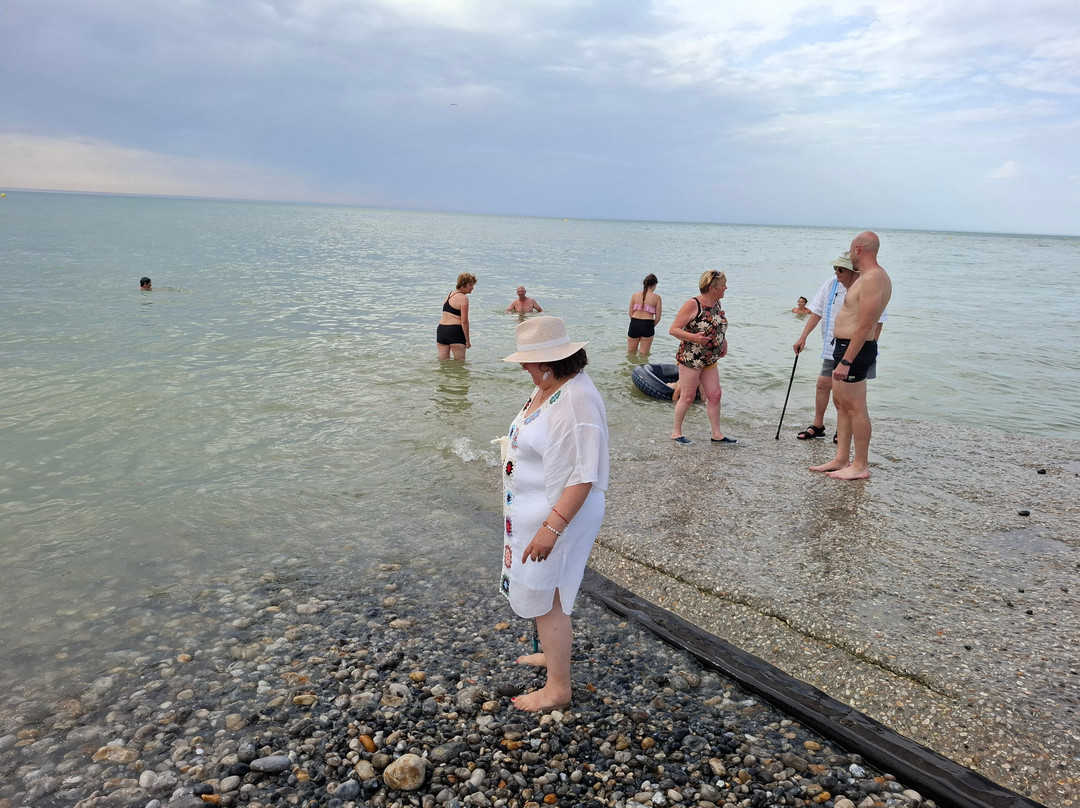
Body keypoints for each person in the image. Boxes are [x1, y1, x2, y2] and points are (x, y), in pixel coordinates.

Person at [500, 316, 609, 712]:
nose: (523, 368)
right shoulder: (550, 387)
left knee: (552, 600)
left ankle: (558, 688)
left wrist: (551, 528)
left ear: (549, 362)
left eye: (527, 362)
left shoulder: (576, 400)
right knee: (542, 589)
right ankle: (552, 654)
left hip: (560, 515)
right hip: (537, 509)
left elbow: (583, 476)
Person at [810, 232, 893, 480]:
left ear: (858, 249)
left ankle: (860, 465)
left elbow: (867, 324)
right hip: (843, 347)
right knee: (842, 405)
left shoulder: (874, 278)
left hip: (854, 351)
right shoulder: (866, 277)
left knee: (857, 408)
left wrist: (847, 360)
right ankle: (841, 458)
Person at [792, 252, 886, 441]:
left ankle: (842, 431)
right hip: (831, 347)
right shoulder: (830, 284)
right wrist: (803, 337)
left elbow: (877, 323)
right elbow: (816, 311)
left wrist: (869, 351)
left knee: (846, 394)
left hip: (854, 351)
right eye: (835, 268)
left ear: (853, 271)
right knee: (823, 384)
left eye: (841, 269)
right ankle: (818, 425)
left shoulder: (866, 287)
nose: (836, 272)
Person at [668, 270, 736, 444]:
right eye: (723, 285)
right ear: (712, 288)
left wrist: (724, 341)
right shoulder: (693, 304)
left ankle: (717, 434)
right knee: (688, 396)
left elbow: (718, 325)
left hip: (710, 359)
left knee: (715, 394)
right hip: (692, 358)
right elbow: (674, 329)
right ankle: (676, 433)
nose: (726, 288)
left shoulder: (717, 303)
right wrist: (694, 338)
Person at [436, 273, 476, 360]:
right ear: (463, 284)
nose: (473, 288)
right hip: (455, 331)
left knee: (443, 362)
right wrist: (467, 340)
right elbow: (464, 321)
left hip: (441, 330)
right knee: (460, 365)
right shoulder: (463, 298)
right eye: (470, 285)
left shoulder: (449, 295)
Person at [627, 273, 662, 354]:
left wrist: (635, 323)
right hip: (648, 324)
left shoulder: (635, 295)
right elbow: (658, 317)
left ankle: (631, 366)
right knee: (644, 354)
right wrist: (650, 326)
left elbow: (630, 313)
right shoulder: (657, 298)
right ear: (655, 284)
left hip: (635, 323)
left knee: (631, 353)